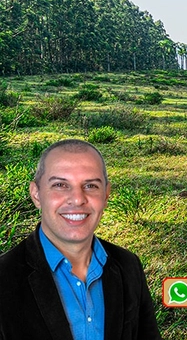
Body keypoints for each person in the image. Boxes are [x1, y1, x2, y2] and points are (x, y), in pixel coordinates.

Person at [0, 139, 162, 340]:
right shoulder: (4, 277)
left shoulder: (128, 265)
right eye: (60, 185)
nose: (77, 199)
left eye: (91, 185)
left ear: (106, 195)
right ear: (36, 194)